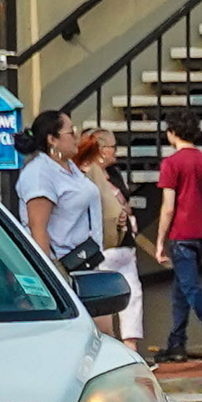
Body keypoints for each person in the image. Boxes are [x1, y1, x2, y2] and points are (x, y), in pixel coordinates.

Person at [151, 108, 202, 365]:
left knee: (190, 288)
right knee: (182, 289)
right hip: (200, 232)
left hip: (180, 233)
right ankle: (177, 342)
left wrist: (160, 241)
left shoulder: (171, 164)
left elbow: (168, 207)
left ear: (172, 133)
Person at [76, 128, 146, 345]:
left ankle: (131, 347)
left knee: (134, 296)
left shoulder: (114, 173)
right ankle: (110, 346)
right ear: (99, 149)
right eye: (112, 147)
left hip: (125, 245)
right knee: (105, 302)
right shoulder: (86, 175)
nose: (116, 151)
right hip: (103, 246)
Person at [16, 109, 103, 268]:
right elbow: (37, 229)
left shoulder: (69, 167)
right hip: (65, 267)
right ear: (52, 140)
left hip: (87, 260)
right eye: (71, 132)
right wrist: (49, 277)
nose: (76, 137)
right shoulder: (40, 173)